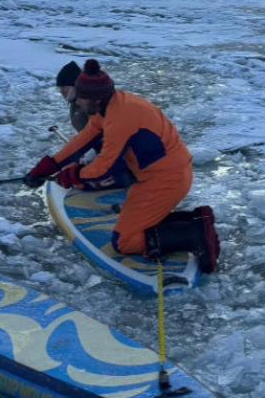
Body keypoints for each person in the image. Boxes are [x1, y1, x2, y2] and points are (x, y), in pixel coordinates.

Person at [25, 60, 219, 271]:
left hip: (165, 181)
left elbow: (103, 166)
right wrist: (48, 166)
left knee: (124, 242)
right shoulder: (110, 106)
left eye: (80, 98)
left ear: (93, 98)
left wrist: (74, 175)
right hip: (159, 177)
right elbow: (82, 141)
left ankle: (194, 233)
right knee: (132, 229)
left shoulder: (121, 119)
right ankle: (196, 220)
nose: (77, 104)